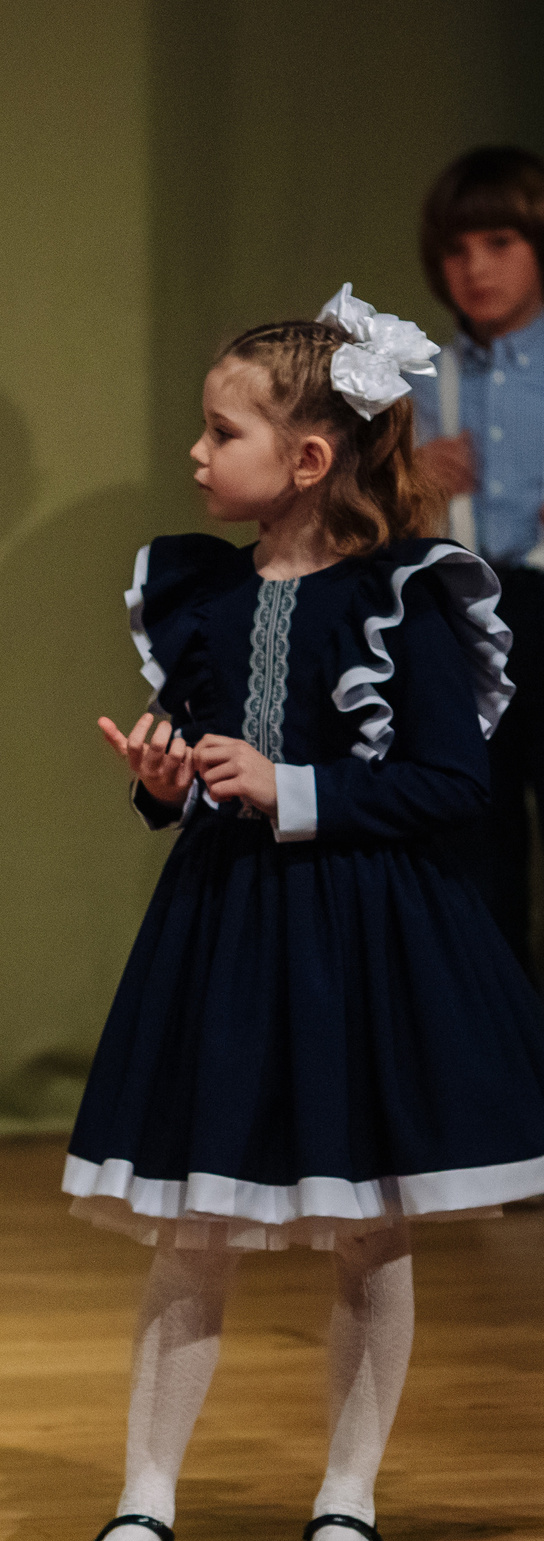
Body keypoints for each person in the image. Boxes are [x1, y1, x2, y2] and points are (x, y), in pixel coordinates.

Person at [66, 289, 544, 1541]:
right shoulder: (199, 592)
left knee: (365, 1228)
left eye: (222, 432)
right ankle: (144, 1495)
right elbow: (196, 779)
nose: (198, 455)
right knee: (193, 1218)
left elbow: (453, 780)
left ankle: (348, 1496)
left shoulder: (407, 592)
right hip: (224, 932)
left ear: (310, 457)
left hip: (361, 939)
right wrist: (166, 780)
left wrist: (300, 790)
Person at [408, 145, 544, 972]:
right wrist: (411, 479)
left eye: (500, 243)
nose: (476, 269)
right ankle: (504, 1064)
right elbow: (366, 524)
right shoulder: (422, 380)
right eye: (457, 250)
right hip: (467, 621)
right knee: (477, 840)